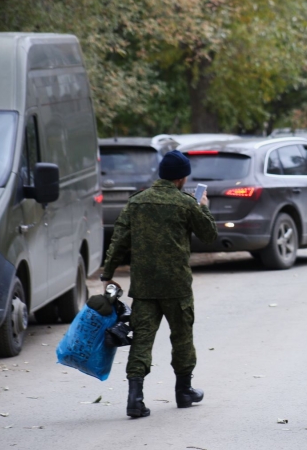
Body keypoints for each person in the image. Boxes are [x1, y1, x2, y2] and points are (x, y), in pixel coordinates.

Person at [101, 150, 218, 419]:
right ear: (182, 178)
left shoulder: (136, 202)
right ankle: (184, 391)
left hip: (144, 287)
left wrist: (108, 274)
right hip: (176, 286)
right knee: (182, 338)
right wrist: (203, 206)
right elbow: (210, 235)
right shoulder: (187, 203)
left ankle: (135, 398)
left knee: (142, 339)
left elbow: (118, 240)